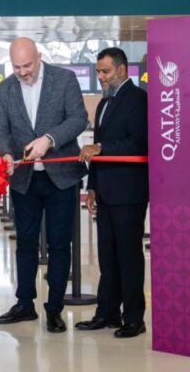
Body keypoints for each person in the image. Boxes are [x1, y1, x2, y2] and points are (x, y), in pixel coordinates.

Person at [0, 37, 88, 333]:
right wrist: (6, 153)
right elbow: (0, 131)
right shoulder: (4, 89)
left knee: (59, 243)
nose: (22, 72)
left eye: (27, 65)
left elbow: (78, 119)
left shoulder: (64, 79)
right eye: (16, 67)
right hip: (24, 179)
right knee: (25, 243)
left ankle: (55, 308)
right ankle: (25, 304)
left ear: (40, 56)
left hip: (61, 178)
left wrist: (49, 139)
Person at [76, 47, 148, 338]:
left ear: (121, 69)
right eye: (98, 72)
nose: (101, 77)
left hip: (129, 192)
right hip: (105, 191)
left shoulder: (138, 99)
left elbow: (139, 142)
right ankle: (107, 313)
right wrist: (92, 186)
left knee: (129, 256)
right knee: (107, 257)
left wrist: (102, 148)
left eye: (105, 71)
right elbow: (97, 149)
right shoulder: (104, 103)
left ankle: (134, 318)